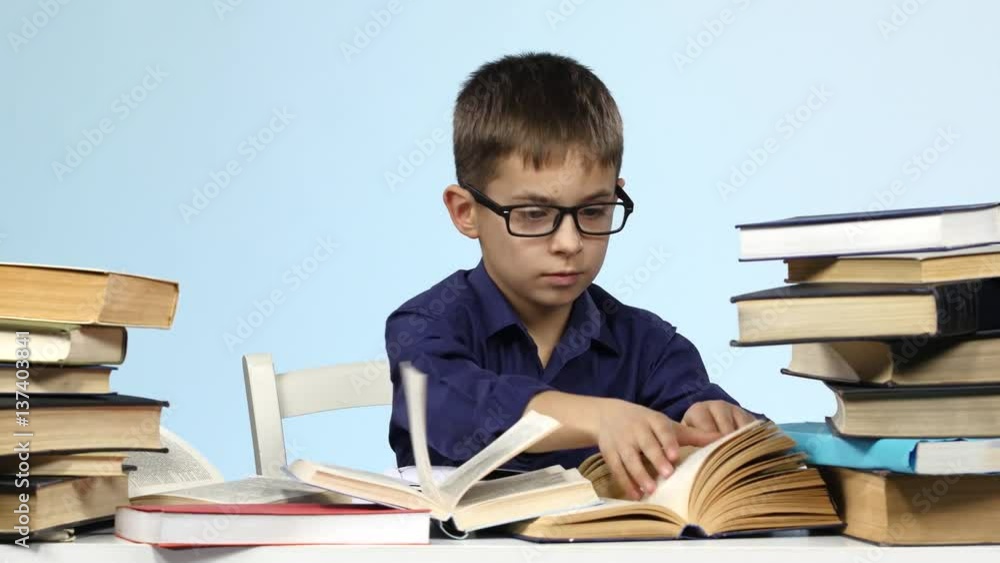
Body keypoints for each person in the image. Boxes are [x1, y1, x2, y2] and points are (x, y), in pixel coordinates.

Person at [385, 52, 756, 500]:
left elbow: (695, 410)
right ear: (467, 213)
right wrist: (602, 418)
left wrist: (715, 421)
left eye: (593, 211)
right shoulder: (426, 325)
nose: (569, 243)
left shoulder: (649, 345)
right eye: (534, 214)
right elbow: (458, 408)